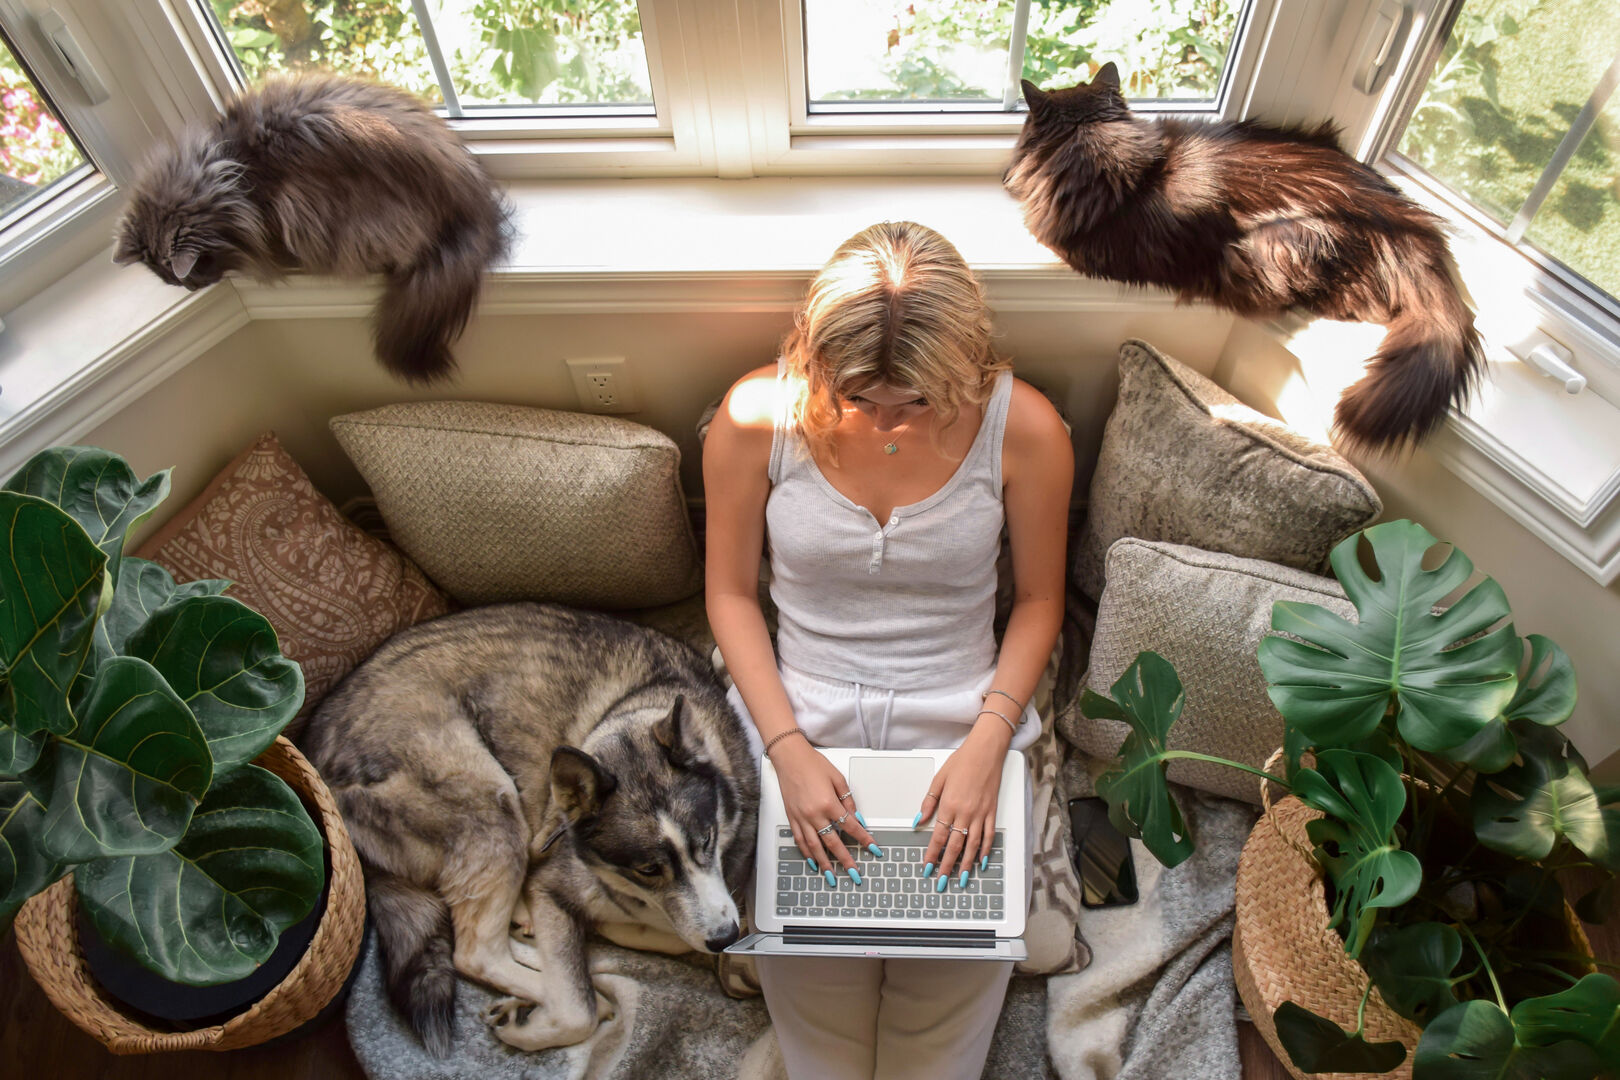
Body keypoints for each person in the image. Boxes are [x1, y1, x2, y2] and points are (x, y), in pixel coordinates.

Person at [703, 221, 1073, 1080]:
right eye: (858, 397)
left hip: (963, 709)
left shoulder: (1027, 430)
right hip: (800, 708)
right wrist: (788, 748)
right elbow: (727, 595)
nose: (883, 421)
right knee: (812, 953)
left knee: (951, 958)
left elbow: (1041, 600)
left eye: (912, 404)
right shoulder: (756, 415)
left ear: (966, 368)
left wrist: (988, 744)